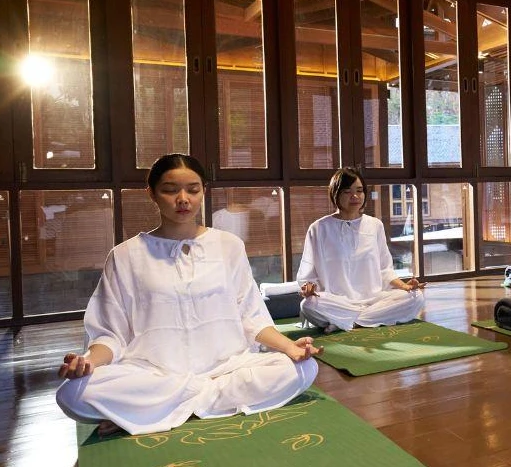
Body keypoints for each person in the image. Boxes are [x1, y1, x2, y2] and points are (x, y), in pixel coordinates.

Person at [55, 154, 321, 436]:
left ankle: (155, 410)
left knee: (304, 369)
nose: (183, 199)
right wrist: (88, 363)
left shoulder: (228, 245)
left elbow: (251, 316)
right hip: (154, 375)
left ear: (203, 191)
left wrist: (289, 348)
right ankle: (199, 400)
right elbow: (110, 334)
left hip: (226, 368)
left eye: (193, 190)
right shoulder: (125, 256)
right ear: (152, 194)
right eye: (170, 190)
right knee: (72, 394)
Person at [296, 167, 426, 332]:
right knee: (309, 305)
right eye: (347, 192)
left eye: (359, 190)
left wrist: (405, 287)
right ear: (335, 194)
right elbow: (308, 274)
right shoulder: (319, 228)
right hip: (337, 302)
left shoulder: (375, 225)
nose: (355, 196)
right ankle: (366, 319)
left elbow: (385, 270)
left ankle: (346, 322)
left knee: (416, 298)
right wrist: (309, 288)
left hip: (374, 300)